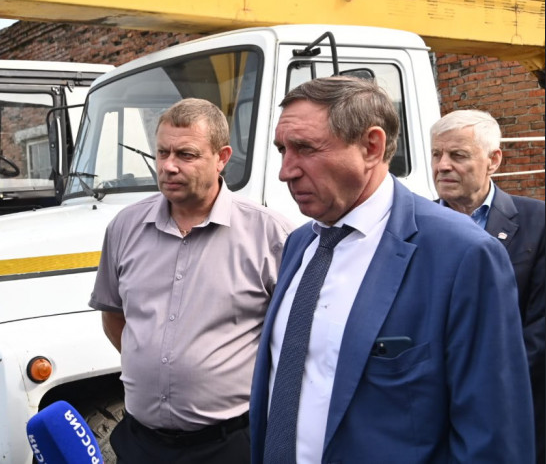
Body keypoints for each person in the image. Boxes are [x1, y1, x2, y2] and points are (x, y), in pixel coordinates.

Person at [250, 76, 534, 463]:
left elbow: (493, 435)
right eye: (283, 149)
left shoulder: (463, 254)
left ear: (372, 146)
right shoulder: (301, 243)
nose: (286, 171)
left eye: (306, 148)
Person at [89, 98, 293, 463]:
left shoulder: (269, 235)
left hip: (229, 445)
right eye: (162, 152)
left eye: (186, 154)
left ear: (222, 157)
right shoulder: (124, 227)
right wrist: (160, 368)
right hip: (140, 442)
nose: (168, 166)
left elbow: (293, 341)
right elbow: (114, 316)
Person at [431, 108, 545, 462]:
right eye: (436, 154)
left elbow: (539, 331)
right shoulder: (414, 226)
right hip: (432, 412)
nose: (443, 166)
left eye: (458, 155)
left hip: (513, 407)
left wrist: (482, 387)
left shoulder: (538, 223)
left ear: (493, 160)